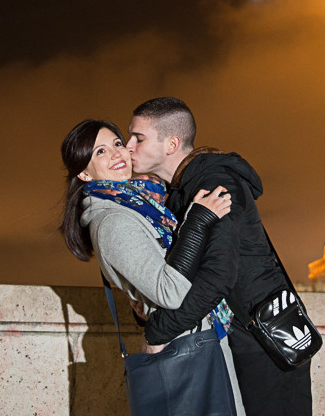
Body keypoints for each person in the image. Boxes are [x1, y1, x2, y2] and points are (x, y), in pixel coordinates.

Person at [126, 97, 313, 416]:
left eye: (138, 138)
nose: (128, 146)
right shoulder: (183, 190)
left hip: (262, 338)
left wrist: (159, 331)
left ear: (171, 144)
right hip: (242, 333)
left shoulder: (215, 184)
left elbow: (218, 276)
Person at [59, 119, 246, 415]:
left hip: (194, 335)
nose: (116, 154)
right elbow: (169, 292)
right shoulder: (112, 221)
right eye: (100, 152)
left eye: (118, 144)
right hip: (183, 346)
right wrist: (197, 220)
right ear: (84, 172)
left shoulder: (141, 205)